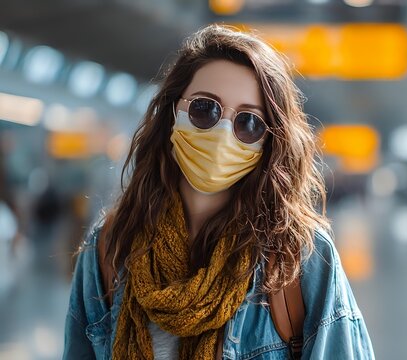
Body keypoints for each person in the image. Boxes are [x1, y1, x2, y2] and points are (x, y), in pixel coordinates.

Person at [63, 24, 374, 360]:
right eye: (204, 109)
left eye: (249, 122)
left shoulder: (299, 259)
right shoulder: (111, 246)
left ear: (269, 142)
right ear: (172, 113)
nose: (223, 132)